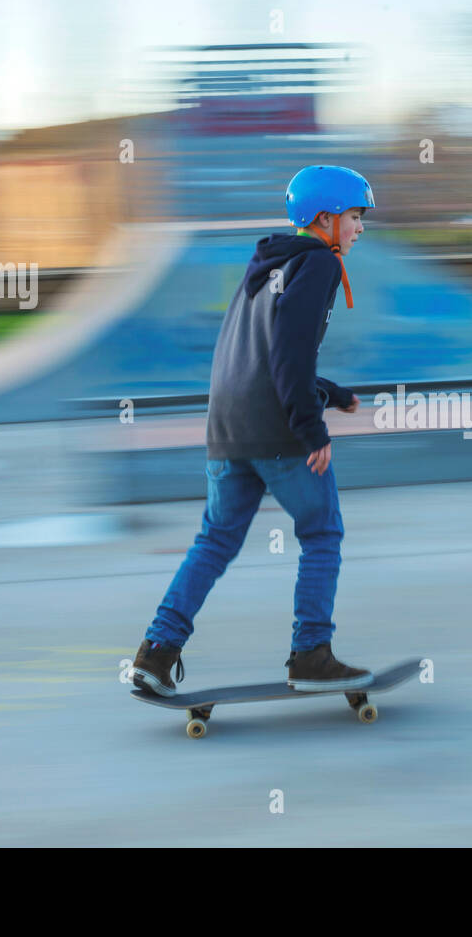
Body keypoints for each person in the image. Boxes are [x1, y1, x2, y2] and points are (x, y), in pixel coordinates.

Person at [130, 165, 376, 696]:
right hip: (278, 433)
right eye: (355, 217)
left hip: (227, 429)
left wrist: (330, 394)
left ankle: (157, 651)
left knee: (214, 541)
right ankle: (311, 653)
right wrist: (313, 430)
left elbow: (264, 352)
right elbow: (287, 353)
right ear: (326, 218)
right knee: (322, 533)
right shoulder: (319, 265)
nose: (359, 228)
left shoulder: (266, 266)